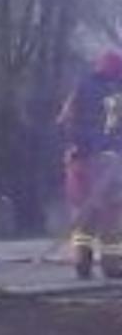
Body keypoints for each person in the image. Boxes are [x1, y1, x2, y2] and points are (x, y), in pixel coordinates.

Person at [60, 48, 122, 280]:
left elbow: (66, 120)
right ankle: (112, 265)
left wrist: (78, 146)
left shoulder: (82, 87)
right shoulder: (116, 89)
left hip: (82, 159)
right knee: (112, 214)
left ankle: (82, 263)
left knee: (84, 214)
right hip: (106, 160)